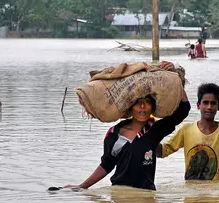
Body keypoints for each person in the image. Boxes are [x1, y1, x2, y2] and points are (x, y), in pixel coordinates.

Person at [66, 61, 191, 191]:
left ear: (152, 107)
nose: (142, 107)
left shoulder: (154, 131)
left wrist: (175, 75)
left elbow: (184, 109)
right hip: (120, 193)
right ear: (130, 107)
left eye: (147, 102)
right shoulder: (114, 134)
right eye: (138, 103)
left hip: (146, 195)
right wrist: (82, 187)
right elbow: (106, 165)